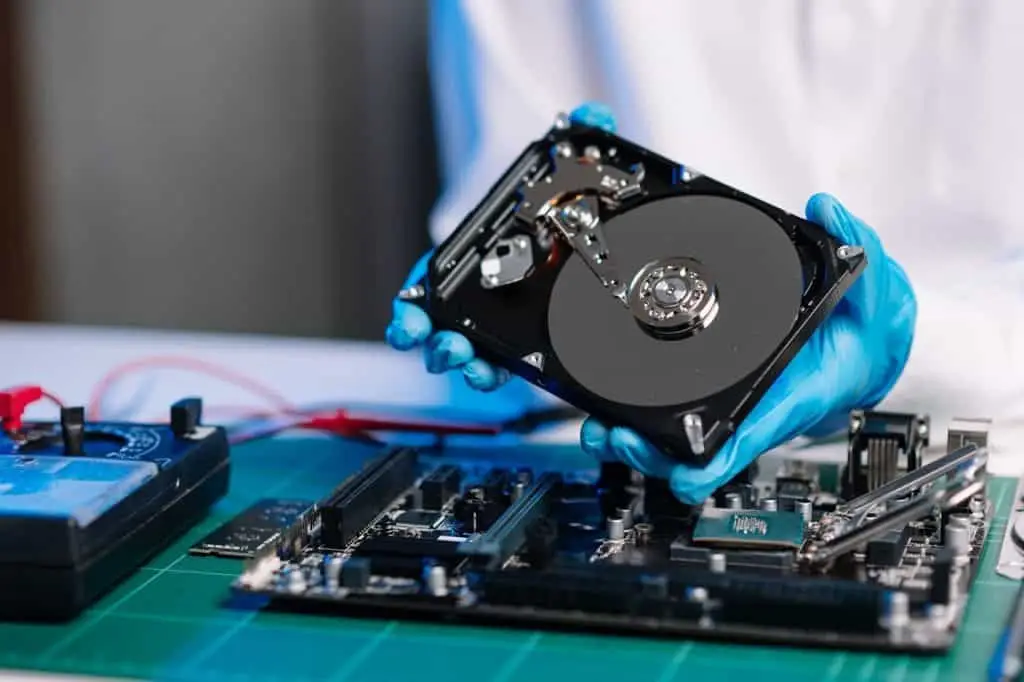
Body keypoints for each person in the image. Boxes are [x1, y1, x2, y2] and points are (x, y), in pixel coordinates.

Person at [389, 0, 1024, 503]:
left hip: (987, 442)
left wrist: (926, 349)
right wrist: (495, 302)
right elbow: (511, 198)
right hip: (592, 443)